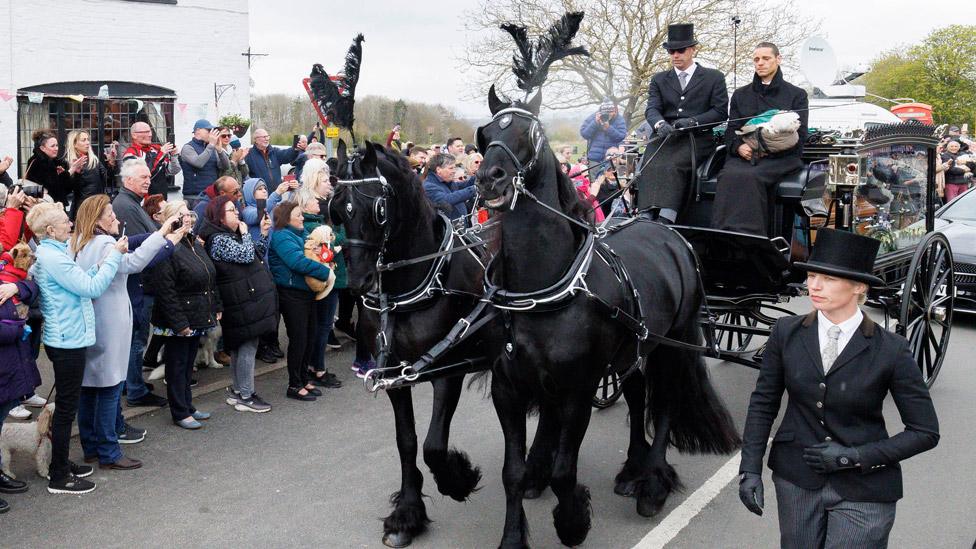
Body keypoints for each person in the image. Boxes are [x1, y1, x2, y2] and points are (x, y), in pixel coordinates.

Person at [738, 229, 939, 548]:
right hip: (796, 480)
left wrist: (854, 456)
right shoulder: (785, 332)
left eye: (829, 279)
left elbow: (925, 431)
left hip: (866, 488)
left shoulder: (892, 349)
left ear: (859, 286)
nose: (814, 286)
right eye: (813, 275)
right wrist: (749, 468)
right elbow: (764, 403)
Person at [71, 195, 180, 470]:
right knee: (108, 388)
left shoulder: (79, 243)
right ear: (99, 219)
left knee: (89, 388)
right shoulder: (106, 243)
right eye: (111, 215)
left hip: (90, 322)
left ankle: (92, 447)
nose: (117, 220)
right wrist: (162, 234)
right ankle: (109, 452)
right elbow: (134, 264)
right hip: (110, 322)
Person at [27, 202, 127, 494]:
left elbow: (80, 280)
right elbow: (91, 288)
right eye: (63, 221)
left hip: (69, 338)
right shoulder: (53, 257)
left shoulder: (55, 253)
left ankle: (62, 463)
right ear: (49, 230)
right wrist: (112, 257)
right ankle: (59, 476)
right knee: (66, 410)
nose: (70, 224)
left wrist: (100, 264)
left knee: (68, 407)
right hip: (67, 341)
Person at [712, 42, 809, 236]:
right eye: (756, 59)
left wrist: (765, 148)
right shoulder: (740, 95)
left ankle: (752, 238)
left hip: (780, 158)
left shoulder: (796, 95)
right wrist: (739, 147)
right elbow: (731, 130)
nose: (760, 63)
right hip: (743, 156)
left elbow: (800, 135)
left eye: (766, 58)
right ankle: (722, 236)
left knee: (751, 177)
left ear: (778, 59)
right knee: (727, 175)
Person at [638, 23, 729, 223]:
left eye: (680, 50)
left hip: (695, 139)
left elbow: (720, 111)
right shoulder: (659, 79)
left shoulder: (714, 78)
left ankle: (667, 216)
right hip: (665, 137)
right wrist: (660, 125)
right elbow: (652, 109)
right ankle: (644, 213)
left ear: (693, 50)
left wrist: (693, 121)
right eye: (671, 51)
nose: (675, 55)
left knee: (673, 165)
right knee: (650, 163)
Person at [198, 195, 276, 413]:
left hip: (242, 297)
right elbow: (245, 254)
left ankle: (239, 390)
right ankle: (246, 395)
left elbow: (254, 254)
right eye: (232, 210)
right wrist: (245, 234)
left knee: (241, 346)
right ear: (220, 217)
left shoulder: (224, 235)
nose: (237, 213)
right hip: (239, 300)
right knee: (247, 345)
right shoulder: (219, 239)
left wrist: (261, 233)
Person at [147, 200, 220, 429]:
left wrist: (215, 306)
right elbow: (165, 290)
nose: (187, 217)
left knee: (188, 365)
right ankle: (180, 412)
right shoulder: (166, 247)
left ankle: (188, 406)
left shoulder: (192, 243)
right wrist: (179, 323)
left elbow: (209, 276)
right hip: (179, 319)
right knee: (177, 367)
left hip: (196, 314)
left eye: (188, 213)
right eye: (181, 215)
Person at [111, 160, 170, 408]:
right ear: (128, 181)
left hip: (141, 284)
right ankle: (135, 390)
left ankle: (131, 383)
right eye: (143, 177)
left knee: (135, 339)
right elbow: (140, 247)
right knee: (136, 340)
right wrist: (168, 242)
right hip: (139, 285)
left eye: (148, 176)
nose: (148, 180)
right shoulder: (125, 206)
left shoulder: (131, 203)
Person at [268, 201, 333, 401]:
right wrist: (325, 272)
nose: (302, 218)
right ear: (287, 218)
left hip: (306, 294)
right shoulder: (281, 236)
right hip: (291, 295)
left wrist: (326, 259)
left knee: (310, 337)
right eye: (298, 215)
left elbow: (315, 254)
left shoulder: (300, 233)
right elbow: (297, 262)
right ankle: (294, 385)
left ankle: (304, 379)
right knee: (299, 339)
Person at [0, 244, 41, 511]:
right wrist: (16, 327)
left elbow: (33, 289)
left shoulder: (6, 270)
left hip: (8, 364)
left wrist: (18, 289)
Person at [297, 160, 342, 388]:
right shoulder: (311, 214)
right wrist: (336, 241)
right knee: (321, 324)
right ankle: (317, 368)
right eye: (325, 180)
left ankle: (316, 365)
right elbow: (332, 241)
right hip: (319, 277)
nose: (329, 184)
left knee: (323, 324)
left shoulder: (325, 207)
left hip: (330, 273)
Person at [65, 131, 116, 220]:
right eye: (83, 140)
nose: (87, 142)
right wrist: (75, 172)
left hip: (98, 204)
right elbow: (69, 188)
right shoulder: (68, 162)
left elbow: (107, 179)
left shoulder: (94, 160)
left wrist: (111, 162)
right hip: (84, 207)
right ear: (75, 144)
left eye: (88, 139)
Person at [121, 121, 180, 197]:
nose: (150, 135)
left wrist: (173, 156)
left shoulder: (157, 149)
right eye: (145, 132)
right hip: (142, 201)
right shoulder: (130, 153)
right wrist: (161, 154)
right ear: (134, 135)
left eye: (150, 131)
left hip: (161, 200)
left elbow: (172, 171)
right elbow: (143, 174)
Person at [179, 119, 229, 206]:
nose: (211, 133)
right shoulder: (188, 147)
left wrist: (220, 151)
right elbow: (199, 163)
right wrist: (211, 145)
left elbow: (225, 166)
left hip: (212, 194)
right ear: (198, 131)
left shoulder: (210, 147)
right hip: (195, 196)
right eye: (208, 130)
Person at [25, 130, 78, 207]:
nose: (56, 148)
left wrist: (64, 174)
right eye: (52, 146)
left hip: (53, 205)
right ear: (42, 148)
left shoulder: (55, 162)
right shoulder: (39, 162)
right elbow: (52, 189)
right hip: (45, 208)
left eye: (57, 145)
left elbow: (65, 189)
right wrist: (69, 172)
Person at [423, 153, 476, 221]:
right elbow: (447, 200)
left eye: (454, 168)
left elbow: (466, 184)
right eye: (451, 168)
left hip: (460, 228)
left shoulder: (448, 182)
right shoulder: (429, 186)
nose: (454, 171)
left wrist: (479, 176)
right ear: (438, 169)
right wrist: (474, 189)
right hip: (448, 230)